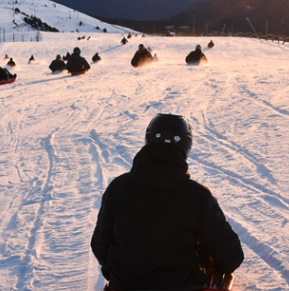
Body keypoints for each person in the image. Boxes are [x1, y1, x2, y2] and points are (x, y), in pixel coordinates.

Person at [91, 114, 243, 291]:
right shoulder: (198, 196)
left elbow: (100, 247)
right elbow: (231, 257)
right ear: (186, 146)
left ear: (149, 140)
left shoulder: (117, 189)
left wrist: (119, 272)